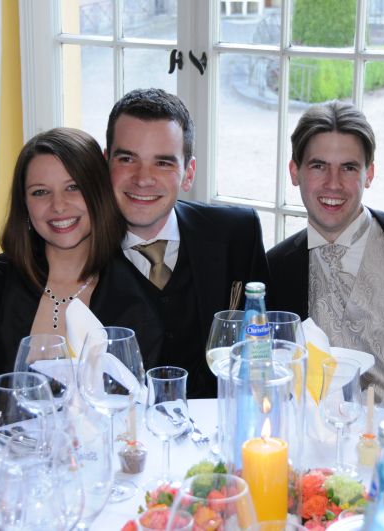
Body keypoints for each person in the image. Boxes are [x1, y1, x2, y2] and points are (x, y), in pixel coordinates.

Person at [0, 128, 159, 409]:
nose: (58, 206)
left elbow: (143, 410)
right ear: (25, 205)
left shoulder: (135, 300)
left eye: (73, 187)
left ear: (98, 193)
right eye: (40, 192)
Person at [104, 88, 269, 398]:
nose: (143, 179)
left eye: (163, 163)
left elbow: (267, 350)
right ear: (106, 163)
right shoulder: (79, 252)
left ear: (188, 173)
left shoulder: (238, 235)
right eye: (127, 159)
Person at [266, 101, 384, 409]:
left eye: (348, 168)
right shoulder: (274, 268)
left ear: (369, 174)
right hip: (322, 434)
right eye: (318, 166)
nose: (333, 184)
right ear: (295, 172)